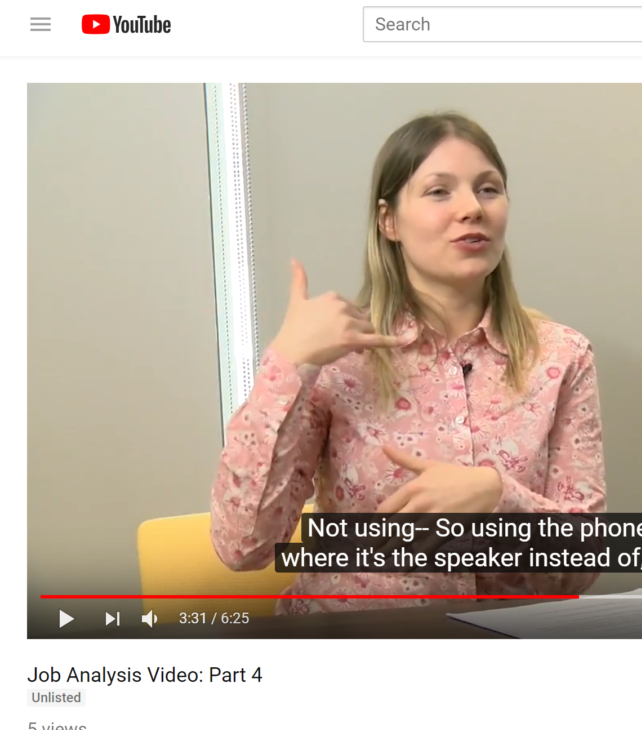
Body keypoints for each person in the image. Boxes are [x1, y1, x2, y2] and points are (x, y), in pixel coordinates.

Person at [210, 112, 607, 614]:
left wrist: (498, 498)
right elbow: (241, 546)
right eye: (439, 191)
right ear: (389, 221)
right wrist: (288, 363)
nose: (471, 209)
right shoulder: (338, 356)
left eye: (488, 189)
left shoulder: (561, 355)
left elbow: (586, 559)